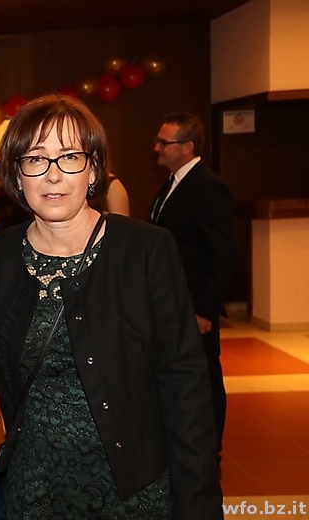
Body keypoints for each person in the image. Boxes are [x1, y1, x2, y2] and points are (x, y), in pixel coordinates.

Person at [0, 94, 223, 519]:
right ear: (16, 174)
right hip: (33, 491)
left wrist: (198, 503)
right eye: (36, 159)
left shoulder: (144, 250)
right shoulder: (0, 255)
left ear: (93, 170)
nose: (53, 175)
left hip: (131, 493)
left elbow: (186, 388)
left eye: (70, 157)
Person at [149, 112, 238, 465]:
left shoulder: (207, 187)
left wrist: (205, 310)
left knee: (205, 378)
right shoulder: (173, 183)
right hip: (175, 303)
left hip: (195, 305)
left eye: (164, 142)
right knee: (184, 376)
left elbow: (224, 255)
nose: (157, 148)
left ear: (187, 147)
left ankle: (210, 452)